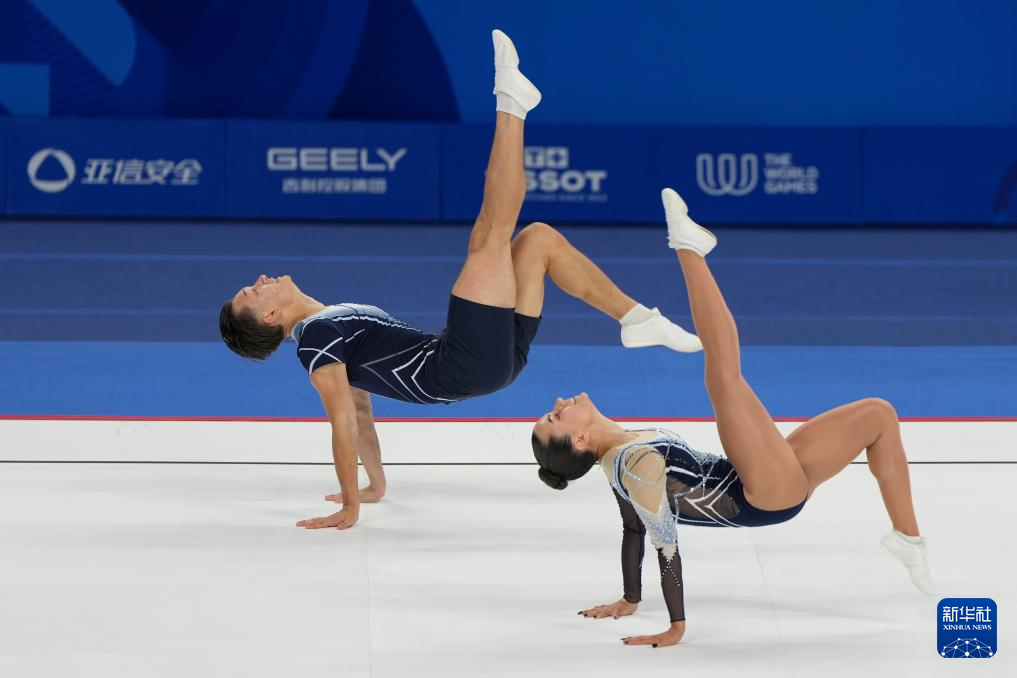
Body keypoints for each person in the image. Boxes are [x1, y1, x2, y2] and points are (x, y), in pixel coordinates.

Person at [218, 31, 702, 531]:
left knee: (538, 240)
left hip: (486, 365)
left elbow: (360, 414)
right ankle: (511, 102)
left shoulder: (326, 326)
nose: (260, 280)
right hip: (460, 363)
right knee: (490, 235)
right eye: (254, 292)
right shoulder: (315, 341)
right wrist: (349, 507)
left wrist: (375, 484)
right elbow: (341, 421)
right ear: (271, 316)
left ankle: (635, 318)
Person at [531, 188, 934, 648]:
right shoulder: (632, 463)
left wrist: (629, 598)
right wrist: (676, 626)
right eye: (555, 417)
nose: (560, 401)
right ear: (579, 440)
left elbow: (631, 528)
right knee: (723, 375)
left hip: (758, 477)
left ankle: (908, 539)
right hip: (761, 494)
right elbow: (664, 543)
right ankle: (687, 248)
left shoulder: (618, 457)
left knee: (879, 415)